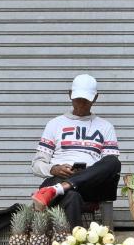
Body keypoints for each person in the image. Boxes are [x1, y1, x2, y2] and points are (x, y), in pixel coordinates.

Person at [30, 74, 121, 227]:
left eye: (86, 100)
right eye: (78, 98)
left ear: (95, 98)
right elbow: (36, 164)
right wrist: (54, 169)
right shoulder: (55, 124)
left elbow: (109, 168)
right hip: (58, 179)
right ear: (70, 95)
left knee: (113, 161)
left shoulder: (106, 127)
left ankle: (60, 188)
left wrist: (88, 174)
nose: (81, 103)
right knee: (72, 197)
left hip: (90, 185)